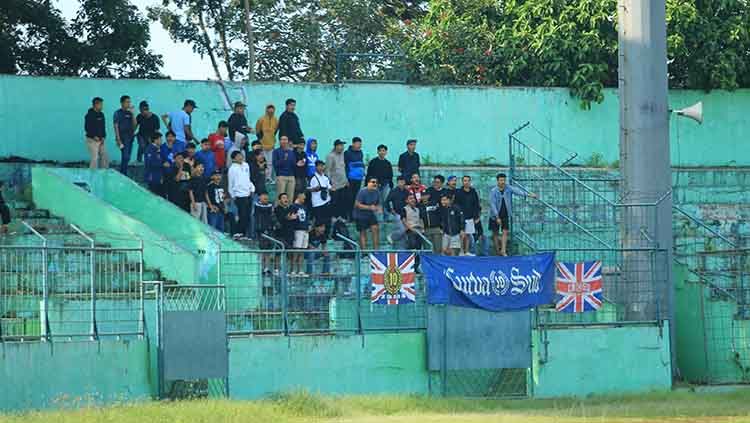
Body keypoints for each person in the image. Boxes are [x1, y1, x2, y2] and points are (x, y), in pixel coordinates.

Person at [489, 172, 538, 256]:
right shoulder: (493, 191)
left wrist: (529, 195)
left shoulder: (508, 188)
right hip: (494, 215)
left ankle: (503, 250)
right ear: (497, 181)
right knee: (495, 233)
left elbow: (517, 191)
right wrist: (497, 217)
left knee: (505, 231)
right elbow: (492, 204)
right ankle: (497, 250)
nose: (503, 182)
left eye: (504, 180)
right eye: (501, 180)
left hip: (505, 214)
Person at [228, 150, 255, 239]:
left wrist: (252, 188)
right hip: (239, 195)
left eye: (241, 155)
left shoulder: (246, 165)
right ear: (234, 158)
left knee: (247, 215)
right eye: (238, 156)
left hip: (248, 193)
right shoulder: (232, 169)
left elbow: (248, 178)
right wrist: (233, 196)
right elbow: (230, 183)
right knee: (241, 215)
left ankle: (243, 233)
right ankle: (237, 233)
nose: (241, 157)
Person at [454, 175, 482, 256]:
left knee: (468, 235)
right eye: (465, 181)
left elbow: (476, 205)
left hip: (471, 217)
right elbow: (456, 205)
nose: (466, 182)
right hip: (461, 217)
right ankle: (461, 251)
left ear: (470, 182)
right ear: (462, 182)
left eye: (468, 181)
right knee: (462, 235)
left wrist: (476, 216)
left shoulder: (473, 192)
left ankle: (466, 251)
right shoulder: (458, 192)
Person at [366, 144, 394, 221]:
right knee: (375, 202)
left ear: (386, 152)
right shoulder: (373, 162)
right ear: (377, 152)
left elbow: (390, 175)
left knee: (385, 201)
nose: (382, 152)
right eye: (380, 151)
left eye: (383, 151)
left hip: (385, 185)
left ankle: (386, 217)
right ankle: (376, 218)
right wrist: (368, 185)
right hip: (375, 185)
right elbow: (369, 174)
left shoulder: (388, 163)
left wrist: (391, 185)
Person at [354, 177, 382, 249]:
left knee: (375, 228)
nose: (375, 184)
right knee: (363, 232)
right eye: (373, 182)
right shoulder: (362, 191)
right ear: (368, 183)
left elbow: (378, 203)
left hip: (370, 214)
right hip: (360, 214)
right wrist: (369, 207)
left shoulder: (377, 192)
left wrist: (378, 209)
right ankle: (364, 251)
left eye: (376, 182)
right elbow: (357, 204)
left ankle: (376, 250)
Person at [113, 95, 137, 176]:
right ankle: (123, 173)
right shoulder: (117, 113)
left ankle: (123, 172)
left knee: (127, 157)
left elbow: (134, 126)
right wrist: (118, 139)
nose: (129, 104)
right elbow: (116, 126)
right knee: (125, 156)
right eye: (127, 102)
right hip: (123, 137)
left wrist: (133, 114)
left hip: (130, 137)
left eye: (129, 102)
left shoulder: (130, 113)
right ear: (122, 103)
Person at [423, 174, 448, 252]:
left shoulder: (445, 192)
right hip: (427, 227)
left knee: (438, 249)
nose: (435, 184)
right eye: (434, 182)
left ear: (442, 183)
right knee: (428, 249)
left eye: (437, 182)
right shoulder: (430, 190)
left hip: (438, 226)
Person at [325, 139, 348, 222]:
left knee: (342, 201)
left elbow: (343, 168)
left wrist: (346, 180)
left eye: (342, 146)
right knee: (334, 201)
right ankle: (333, 217)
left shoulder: (342, 155)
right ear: (336, 146)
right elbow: (327, 171)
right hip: (334, 184)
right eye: (340, 145)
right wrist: (330, 184)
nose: (342, 147)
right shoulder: (330, 156)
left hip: (343, 183)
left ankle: (340, 217)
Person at [289, 192, 310, 277]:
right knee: (296, 250)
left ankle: (300, 270)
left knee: (302, 251)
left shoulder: (304, 207)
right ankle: (292, 270)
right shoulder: (293, 206)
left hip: (305, 230)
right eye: (303, 197)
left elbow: (307, 218)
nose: (304, 199)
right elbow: (291, 217)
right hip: (297, 230)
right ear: (299, 196)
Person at [84, 97, 109, 169]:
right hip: (92, 140)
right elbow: (87, 128)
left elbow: (103, 127)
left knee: (104, 156)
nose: (102, 106)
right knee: (95, 158)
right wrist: (94, 136)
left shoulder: (101, 114)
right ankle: (92, 174)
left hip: (101, 140)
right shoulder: (89, 115)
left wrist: (104, 137)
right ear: (95, 105)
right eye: (100, 104)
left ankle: (103, 172)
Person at [400, 194, 425, 264]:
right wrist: (410, 228)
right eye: (410, 198)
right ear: (407, 201)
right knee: (412, 248)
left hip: (419, 231)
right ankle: (410, 265)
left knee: (418, 249)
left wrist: (422, 229)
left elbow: (420, 219)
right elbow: (403, 220)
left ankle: (416, 266)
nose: (413, 200)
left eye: (413, 198)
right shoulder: (404, 209)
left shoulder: (417, 209)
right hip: (410, 231)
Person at [344, 137, 365, 220]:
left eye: (360, 144)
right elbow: (345, 166)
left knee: (356, 197)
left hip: (358, 179)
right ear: (353, 144)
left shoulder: (360, 153)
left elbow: (361, 164)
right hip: (350, 179)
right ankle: (349, 215)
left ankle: (355, 214)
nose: (359, 145)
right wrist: (346, 179)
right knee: (349, 198)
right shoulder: (347, 153)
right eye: (358, 144)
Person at [255, 104, 278, 180]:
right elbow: (257, 131)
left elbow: (275, 131)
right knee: (262, 162)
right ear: (266, 110)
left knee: (270, 163)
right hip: (263, 145)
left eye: (272, 109)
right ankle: (262, 177)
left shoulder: (275, 120)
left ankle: (268, 177)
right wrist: (261, 141)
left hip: (271, 145)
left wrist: (272, 139)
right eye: (269, 109)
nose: (271, 111)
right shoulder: (261, 119)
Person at [254, 191, 275, 274]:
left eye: (267, 196)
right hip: (261, 230)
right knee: (263, 249)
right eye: (264, 196)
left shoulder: (270, 205)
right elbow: (262, 209)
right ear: (260, 197)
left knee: (268, 250)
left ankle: (267, 267)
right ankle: (262, 267)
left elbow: (271, 214)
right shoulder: (257, 205)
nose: (266, 198)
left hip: (269, 229)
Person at [384, 176, 409, 245]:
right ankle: (392, 236)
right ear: (397, 182)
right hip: (397, 214)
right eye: (400, 182)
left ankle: (403, 248)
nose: (401, 183)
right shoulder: (393, 191)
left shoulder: (407, 192)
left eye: (403, 181)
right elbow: (386, 202)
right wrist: (390, 210)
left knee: (405, 232)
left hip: (406, 214)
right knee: (403, 229)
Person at [308, 160, 331, 230]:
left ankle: (325, 237)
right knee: (318, 222)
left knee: (327, 221)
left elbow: (330, 187)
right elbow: (307, 189)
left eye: (322, 166)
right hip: (317, 203)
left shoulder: (325, 177)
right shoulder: (312, 177)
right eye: (319, 166)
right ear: (316, 167)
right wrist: (314, 189)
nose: (321, 168)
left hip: (326, 201)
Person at [272, 136, 296, 200]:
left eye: (285, 140)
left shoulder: (291, 152)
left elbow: (293, 164)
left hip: (291, 176)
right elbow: (275, 165)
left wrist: (298, 164)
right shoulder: (276, 151)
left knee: (290, 197)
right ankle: (278, 209)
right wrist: (283, 159)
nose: (284, 141)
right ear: (279, 141)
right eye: (282, 140)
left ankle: (289, 209)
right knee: (280, 196)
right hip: (281, 176)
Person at [144, 132, 166, 196]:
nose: (161, 141)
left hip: (159, 177)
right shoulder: (150, 149)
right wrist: (162, 165)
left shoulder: (159, 149)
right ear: (156, 140)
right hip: (153, 177)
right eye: (160, 139)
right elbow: (149, 163)